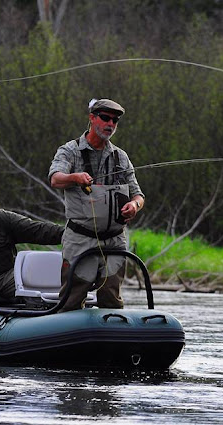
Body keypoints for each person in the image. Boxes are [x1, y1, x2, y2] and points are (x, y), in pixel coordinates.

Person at [49, 98, 145, 312]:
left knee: (111, 298)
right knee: (71, 299)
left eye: (115, 120)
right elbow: (55, 179)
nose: (110, 124)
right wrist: (74, 177)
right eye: (105, 118)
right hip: (80, 238)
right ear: (92, 118)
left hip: (114, 239)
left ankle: (111, 330)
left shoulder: (121, 157)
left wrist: (134, 206)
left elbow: (138, 195)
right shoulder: (70, 150)